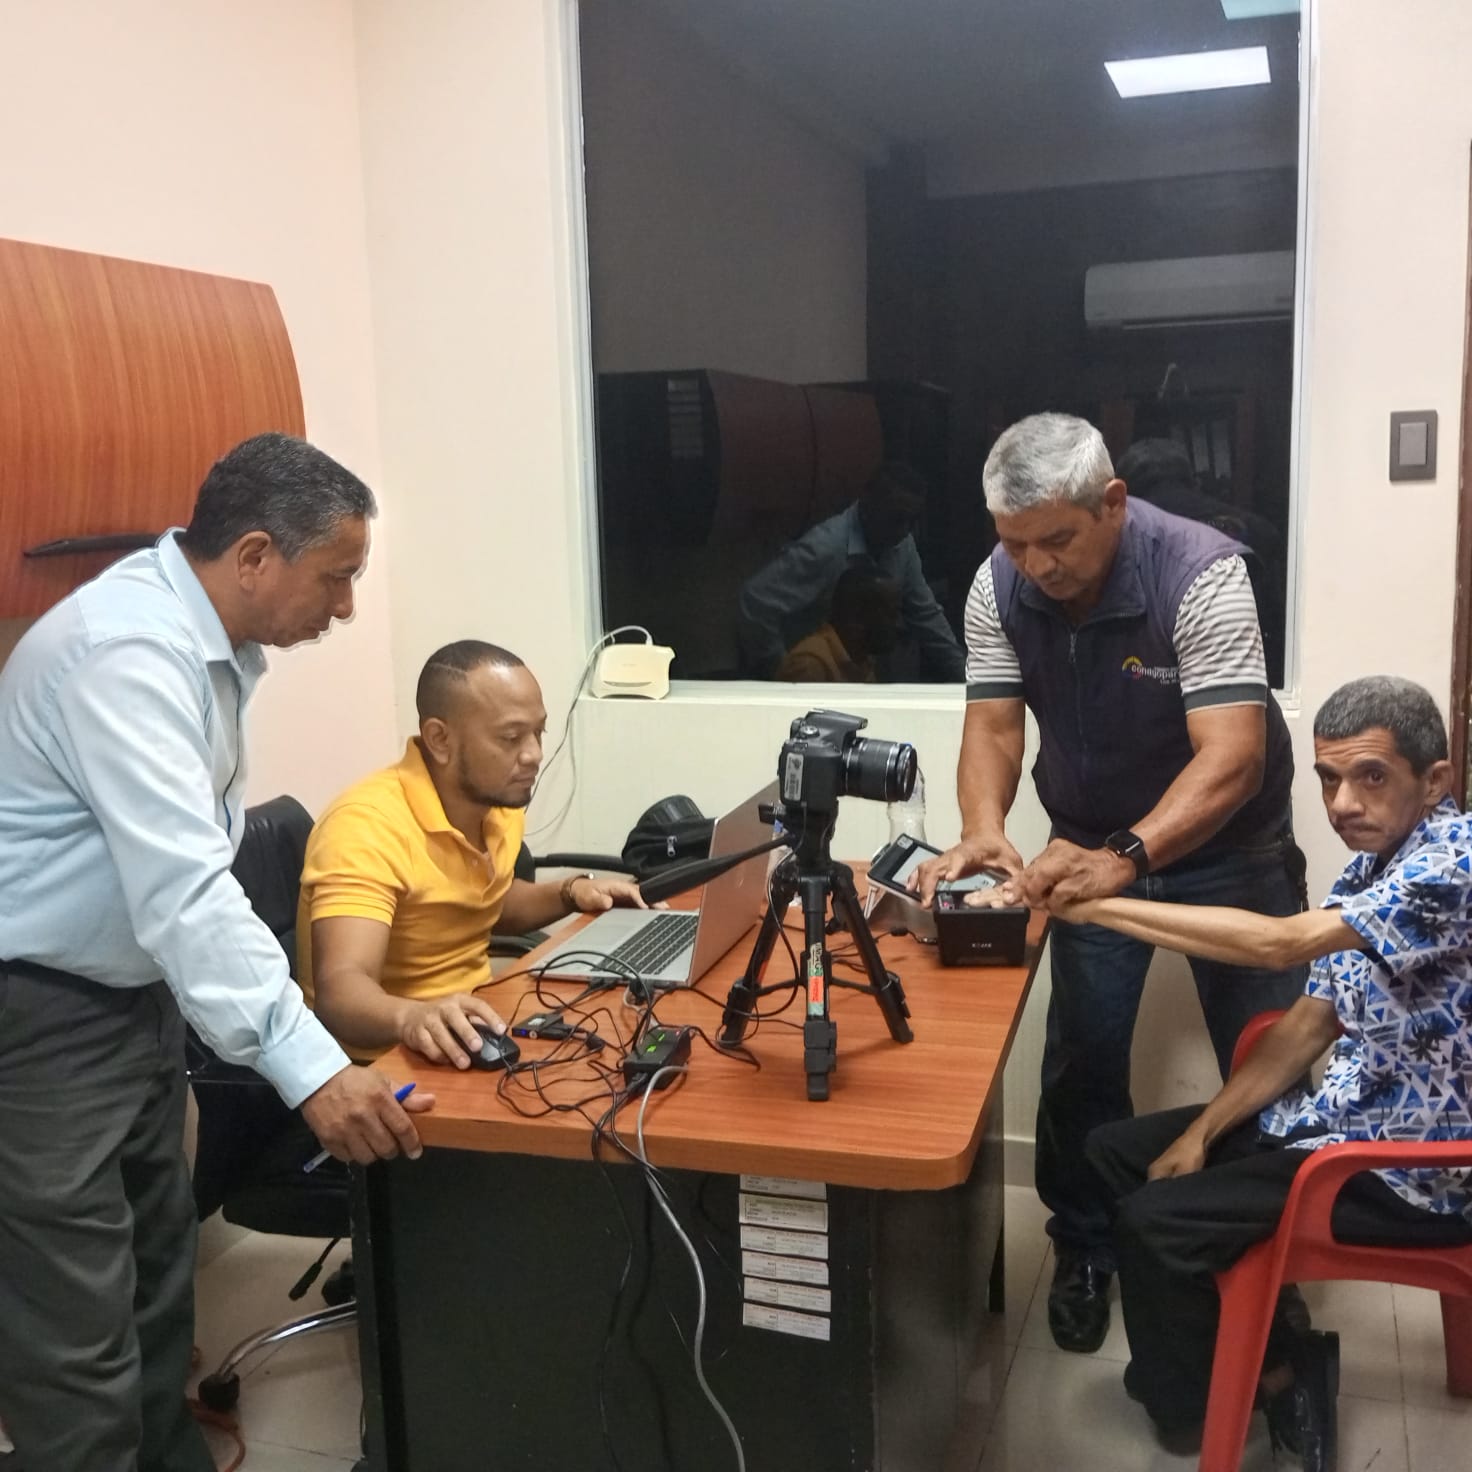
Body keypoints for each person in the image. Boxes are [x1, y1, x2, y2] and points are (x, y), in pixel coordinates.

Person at [0, 434, 432, 1472]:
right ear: (253, 556)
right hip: (42, 1014)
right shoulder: (125, 653)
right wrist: (312, 1068)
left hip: (130, 995)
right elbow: (187, 888)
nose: (345, 607)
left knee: (158, 1286)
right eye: (336, 577)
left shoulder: (211, 646)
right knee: (76, 1335)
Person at [911, 412, 1305, 1355]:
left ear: (1113, 503)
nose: (1037, 565)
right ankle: (1086, 1246)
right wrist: (983, 830)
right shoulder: (997, 582)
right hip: (1086, 845)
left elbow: (1234, 758)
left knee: (1268, 1060)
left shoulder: (1202, 572)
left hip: (1232, 850)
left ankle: (1268, 1264)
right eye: (1017, 543)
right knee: (1084, 1057)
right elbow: (995, 724)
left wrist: (1124, 856)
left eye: (1057, 539)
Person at [1067, 676, 1472, 1464]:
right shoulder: (1369, 870)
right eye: (1328, 778)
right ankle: (1275, 1347)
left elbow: (1278, 945)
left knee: (1155, 1224)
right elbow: (1306, 1027)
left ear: (1435, 781)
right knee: (1117, 1151)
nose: (1343, 803)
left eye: (1371, 776)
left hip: (1412, 1172)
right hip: (1342, 1121)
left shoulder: (1452, 864)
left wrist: (1097, 902)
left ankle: (1237, 1388)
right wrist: (1203, 1131)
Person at [299, 640, 647, 1067]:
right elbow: (341, 991)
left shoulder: (496, 804)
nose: (534, 754)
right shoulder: (365, 826)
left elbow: (485, 904)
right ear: (440, 739)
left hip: (477, 1032)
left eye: (539, 732)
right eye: (511, 737)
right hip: (384, 1063)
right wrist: (414, 1016)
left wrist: (573, 892)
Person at [736, 461, 965, 681]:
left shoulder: (902, 544)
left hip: (857, 674)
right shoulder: (826, 547)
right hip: (809, 675)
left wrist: (969, 680)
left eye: (912, 521)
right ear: (868, 505)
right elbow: (754, 600)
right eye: (896, 518)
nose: (905, 530)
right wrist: (782, 671)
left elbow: (925, 614)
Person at [1115, 437, 1287, 688]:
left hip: (1149, 681)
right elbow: (1276, 631)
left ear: (1121, 495)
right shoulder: (1260, 531)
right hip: (1253, 678)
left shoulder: (1129, 538)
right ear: (1194, 481)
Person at [775, 567, 901, 682]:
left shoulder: (862, 660)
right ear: (857, 617)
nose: (898, 624)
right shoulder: (811, 665)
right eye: (891, 614)